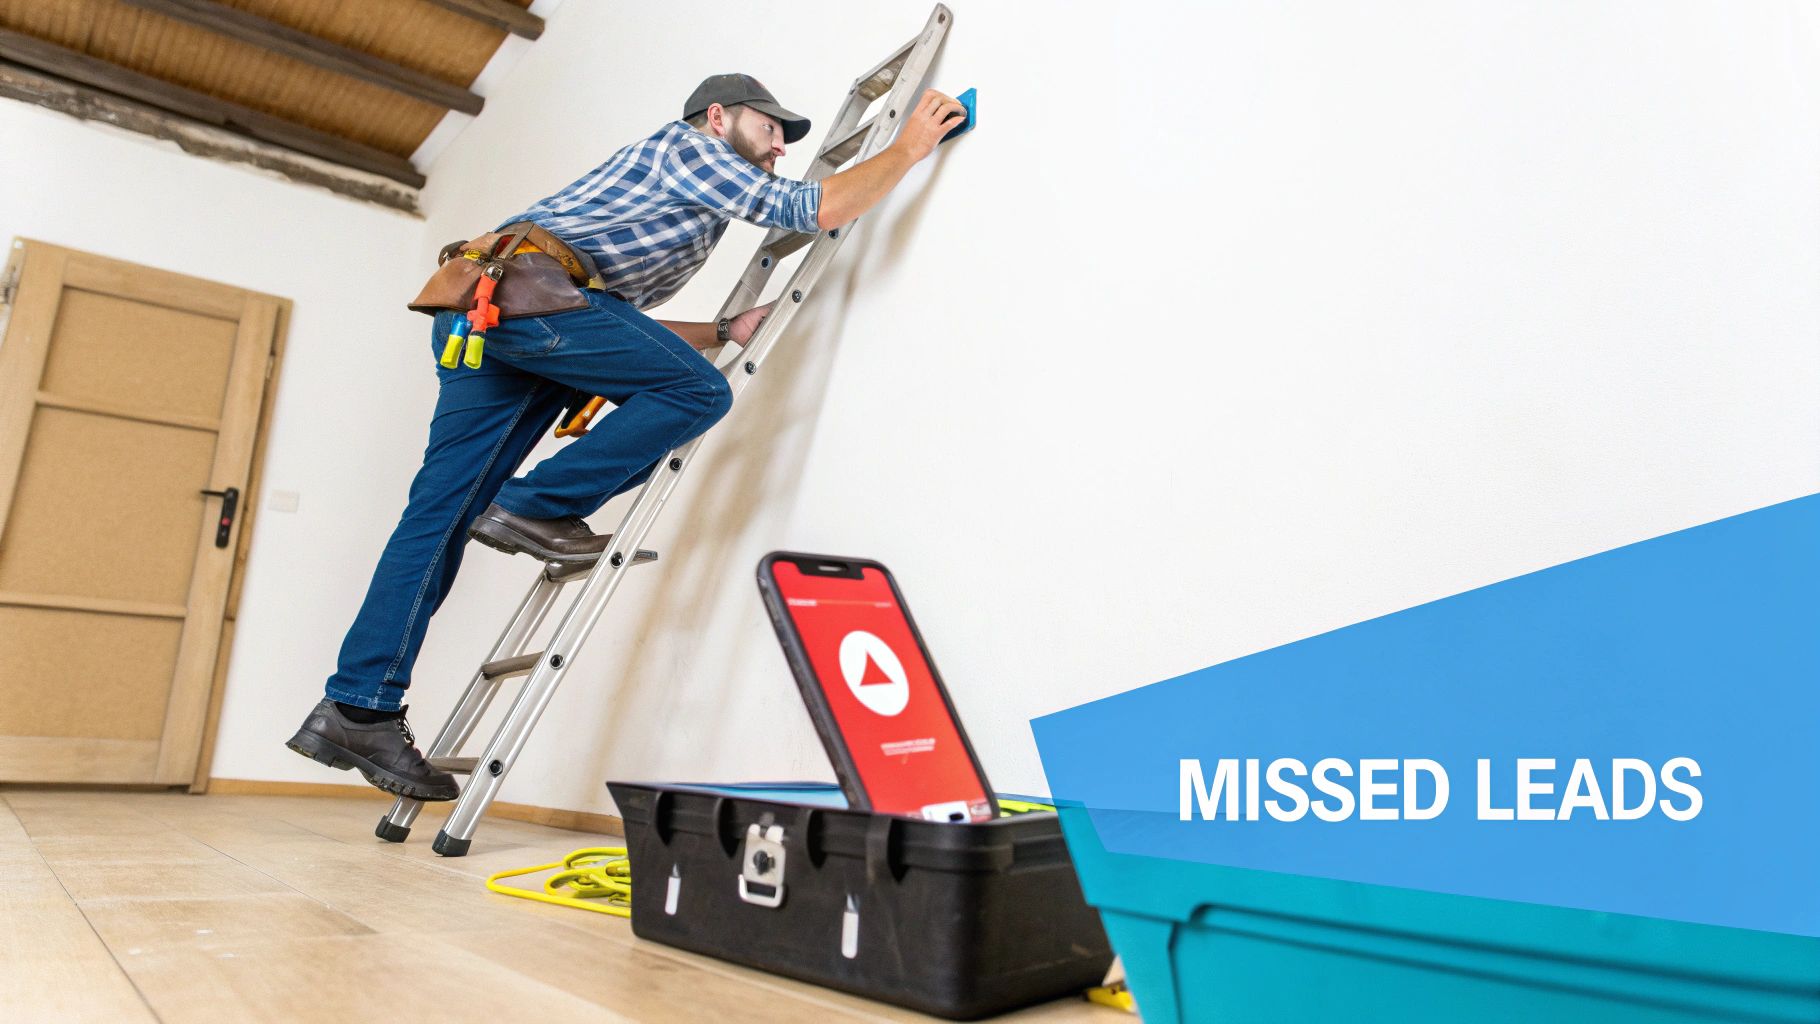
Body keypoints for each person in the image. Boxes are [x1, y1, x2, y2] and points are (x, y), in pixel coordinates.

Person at [286, 73, 967, 801]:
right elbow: (814, 208)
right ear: (717, 117)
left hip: (498, 311)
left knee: (439, 515)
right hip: (522, 300)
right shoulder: (692, 150)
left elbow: (607, 321)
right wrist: (910, 146)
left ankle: (358, 708)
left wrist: (721, 329)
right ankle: (533, 506)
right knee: (697, 392)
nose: (779, 149)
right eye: (770, 130)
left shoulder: (673, 207)